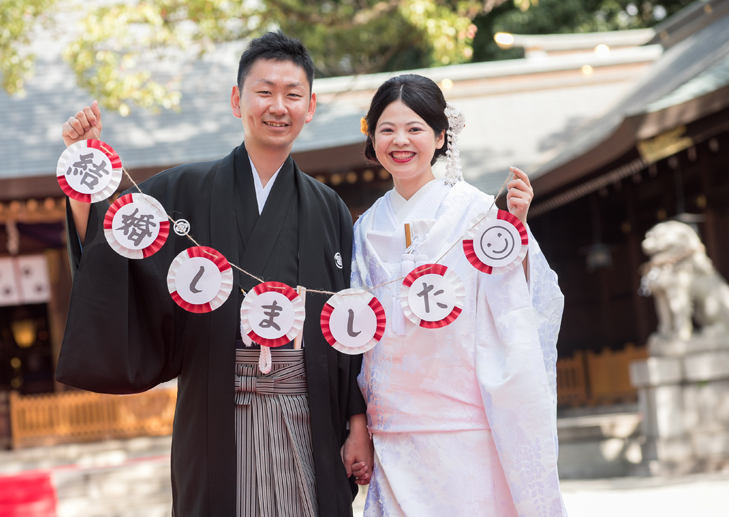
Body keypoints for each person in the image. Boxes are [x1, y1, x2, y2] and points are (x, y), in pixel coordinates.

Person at [56, 31, 374, 516]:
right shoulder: (184, 189)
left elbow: (350, 321)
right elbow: (116, 240)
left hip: (309, 414)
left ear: (310, 107)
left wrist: (356, 423)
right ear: (236, 99)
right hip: (215, 410)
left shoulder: (327, 208)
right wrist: (88, 173)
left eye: (292, 95)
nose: (277, 106)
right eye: (264, 92)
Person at [349, 74, 566, 516]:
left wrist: (515, 230)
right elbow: (354, 329)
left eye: (415, 129)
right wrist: (359, 424)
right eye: (387, 129)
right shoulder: (365, 227)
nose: (400, 141)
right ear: (373, 138)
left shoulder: (477, 210)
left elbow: (519, 305)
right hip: (394, 426)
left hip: (466, 419)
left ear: (441, 135)